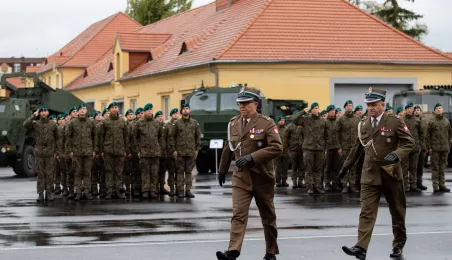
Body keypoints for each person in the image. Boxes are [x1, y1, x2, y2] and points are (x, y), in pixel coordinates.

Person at [339, 87, 414, 259]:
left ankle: (398, 245)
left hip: (391, 174)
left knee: (397, 211)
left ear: (382, 104)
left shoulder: (394, 121)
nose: (370, 108)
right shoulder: (363, 124)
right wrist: (345, 168)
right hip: (370, 175)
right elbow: (357, 149)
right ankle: (361, 248)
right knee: (366, 212)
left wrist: (396, 154)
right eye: (368, 105)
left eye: (374, 104)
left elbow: (409, 143)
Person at [216, 86, 282, 260]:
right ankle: (232, 251)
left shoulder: (266, 123)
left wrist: (252, 157)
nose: (242, 107)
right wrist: (222, 170)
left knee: (268, 216)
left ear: (255, 104)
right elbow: (228, 147)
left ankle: (271, 251)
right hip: (241, 177)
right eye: (240, 104)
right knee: (238, 214)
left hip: (262, 177)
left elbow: (277, 148)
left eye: (246, 104)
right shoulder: (233, 123)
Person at [23, 106, 58, 202]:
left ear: (48, 113)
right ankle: (40, 194)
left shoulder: (53, 124)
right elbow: (25, 124)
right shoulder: (36, 124)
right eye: (41, 111)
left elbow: (57, 138)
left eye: (45, 111)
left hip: (50, 153)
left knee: (50, 174)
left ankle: (49, 193)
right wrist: (33, 116)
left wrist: (56, 151)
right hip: (39, 153)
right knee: (40, 174)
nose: (43, 113)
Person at [292, 102, 328, 195]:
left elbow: (326, 134)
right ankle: (310, 187)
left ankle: (317, 186)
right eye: (314, 108)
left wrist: (325, 146)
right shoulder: (305, 120)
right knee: (309, 169)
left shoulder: (323, 121)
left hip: (320, 148)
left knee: (318, 169)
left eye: (317, 108)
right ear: (311, 110)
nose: (316, 110)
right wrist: (303, 111)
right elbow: (294, 119)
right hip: (308, 148)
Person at [169, 104, 201, 198]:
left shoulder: (194, 123)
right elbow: (172, 137)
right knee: (180, 171)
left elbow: (198, 137)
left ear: (189, 110)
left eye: (187, 109)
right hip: (180, 152)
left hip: (191, 152)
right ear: (181, 111)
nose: (185, 110)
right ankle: (180, 191)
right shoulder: (177, 123)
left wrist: (197, 149)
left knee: (188, 172)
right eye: (184, 109)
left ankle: (188, 190)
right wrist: (174, 150)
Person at [65, 103, 96, 201]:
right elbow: (68, 137)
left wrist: (95, 150)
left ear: (86, 111)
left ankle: (86, 191)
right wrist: (69, 150)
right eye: (81, 109)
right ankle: (78, 192)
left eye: (84, 109)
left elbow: (95, 137)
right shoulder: (72, 123)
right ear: (77, 111)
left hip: (88, 151)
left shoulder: (91, 123)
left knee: (87, 172)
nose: (82, 111)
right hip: (76, 152)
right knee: (77, 172)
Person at [98, 102, 129, 200]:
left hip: (120, 150)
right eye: (113, 107)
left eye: (116, 107)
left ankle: (118, 191)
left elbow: (126, 136)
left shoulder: (122, 121)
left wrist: (126, 150)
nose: (115, 109)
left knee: (119, 172)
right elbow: (101, 137)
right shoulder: (105, 121)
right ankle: (110, 191)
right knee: (109, 171)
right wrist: (101, 150)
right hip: (108, 151)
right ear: (109, 109)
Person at [133, 104, 165, 199]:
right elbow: (134, 137)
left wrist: (160, 148)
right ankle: (145, 190)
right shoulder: (139, 123)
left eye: (151, 110)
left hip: (155, 152)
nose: (149, 111)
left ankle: (153, 190)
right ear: (144, 111)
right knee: (145, 172)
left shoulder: (156, 123)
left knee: (154, 172)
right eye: (147, 110)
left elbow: (161, 137)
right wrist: (138, 150)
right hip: (144, 152)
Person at [336, 100, 360, 194]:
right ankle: (345, 185)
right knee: (345, 166)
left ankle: (352, 185)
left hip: (354, 146)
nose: (350, 107)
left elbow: (360, 133)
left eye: (351, 105)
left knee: (354, 166)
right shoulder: (341, 119)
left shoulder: (357, 118)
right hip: (345, 146)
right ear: (345, 107)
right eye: (348, 106)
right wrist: (339, 147)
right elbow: (336, 134)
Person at [426, 103, 452, 192]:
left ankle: (442, 184)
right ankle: (435, 185)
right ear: (434, 111)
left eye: (440, 108)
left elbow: (450, 135)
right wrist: (429, 147)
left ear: (442, 110)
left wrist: (449, 145)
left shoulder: (446, 121)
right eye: (437, 108)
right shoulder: (432, 121)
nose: (438, 109)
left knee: (442, 167)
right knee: (435, 168)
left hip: (444, 148)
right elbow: (427, 135)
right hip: (435, 149)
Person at [401, 102, 425, 193]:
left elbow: (421, 134)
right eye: (408, 108)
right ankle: (405, 185)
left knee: (413, 167)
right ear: (405, 109)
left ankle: (413, 185)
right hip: (404, 147)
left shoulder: (417, 121)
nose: (410, 110)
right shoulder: (401, 120)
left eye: (411, 108)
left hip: (415, 147)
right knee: (405, 167)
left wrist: (421, 145)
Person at [283, 112, 305, 189]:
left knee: (302, 166)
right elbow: (285, 139)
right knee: (294, 166)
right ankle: (294, 182)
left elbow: (305, 137)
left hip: (301, 149)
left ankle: (300, 182)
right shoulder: (289, 127)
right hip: (293, 149)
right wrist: (286, 149)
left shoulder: (302, 127)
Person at [324, 105, 341, 192]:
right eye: (331, 110)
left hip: (336, 147)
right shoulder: (325, 122)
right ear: (328, 112)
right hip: (328, 148)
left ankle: (335, 183)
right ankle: (327, 183)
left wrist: (340, 147)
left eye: (333, 110)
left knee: (336, 167)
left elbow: (341, 135)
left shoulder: (338, 121)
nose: (333, 112)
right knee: (328, 167)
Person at [155, 111, 170, 195]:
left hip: (164, 153)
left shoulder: (166, 126)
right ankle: (155, 188)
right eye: (158, 116)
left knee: (163, 171)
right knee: (155, 171)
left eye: (161, 116)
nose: (160, 118)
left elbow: (169, 138)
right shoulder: (154, 126)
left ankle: (161, 187)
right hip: (155, 152)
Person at [414, 105, 428, 190]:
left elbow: (427, 136)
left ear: (421, 112)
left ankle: (419, 182)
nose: (416, 111)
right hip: (414, 147)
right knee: (413, 166)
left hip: (422, 147)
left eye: (418, 110)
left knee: (420, 166)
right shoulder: (411, 121)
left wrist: (427, 147)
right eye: (415, 110)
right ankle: (413, 183)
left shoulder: (424, 123)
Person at [91, 111, 104, 196]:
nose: (99, 117)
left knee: (103, 172)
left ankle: (102, 189)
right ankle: (94, 188)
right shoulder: (92, 126)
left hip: (102, 151)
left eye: (100, 115)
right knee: (93, 171)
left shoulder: (104, 126)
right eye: (97, 115)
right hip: (93, 151)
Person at [274, 116, 289, 187]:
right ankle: (278, 181)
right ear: (278, 121)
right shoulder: (275, 129)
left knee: (285, 167)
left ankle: (284, 181)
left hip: (286, 151)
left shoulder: (286, 129)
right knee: (278, 167)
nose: (282, 121)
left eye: (283, 120)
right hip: (277, 151)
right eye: (281, 120)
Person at [123, 109, 135, 196]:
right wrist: (127, 151)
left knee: (134, 171)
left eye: (132, 114)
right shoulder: (124, 125)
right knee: (127, 171)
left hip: (134, 151)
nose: (131, 116)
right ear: (126, 116)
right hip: (127, 151)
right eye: (129, 115)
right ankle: (127, 188)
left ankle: (133, 188)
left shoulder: (136, 124)